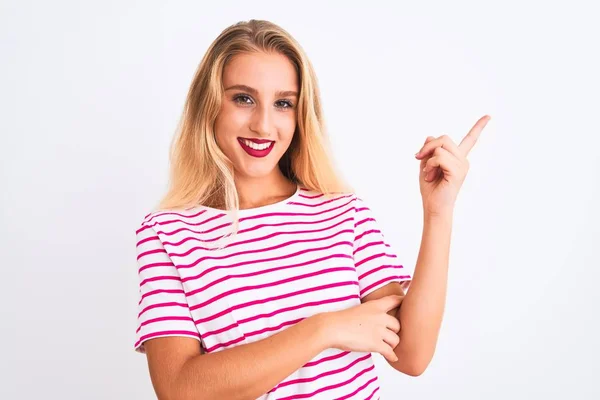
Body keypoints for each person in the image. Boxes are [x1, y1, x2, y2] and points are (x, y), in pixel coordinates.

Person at [133, 19, 490, 400]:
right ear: (209, 105)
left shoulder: (343, 214)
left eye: (283, 103)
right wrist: (321, 329)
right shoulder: (166, 233)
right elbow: (179, 390)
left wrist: (439, 212)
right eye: (243, 98)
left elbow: (410, 354)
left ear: (300, 115)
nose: (263, 125)